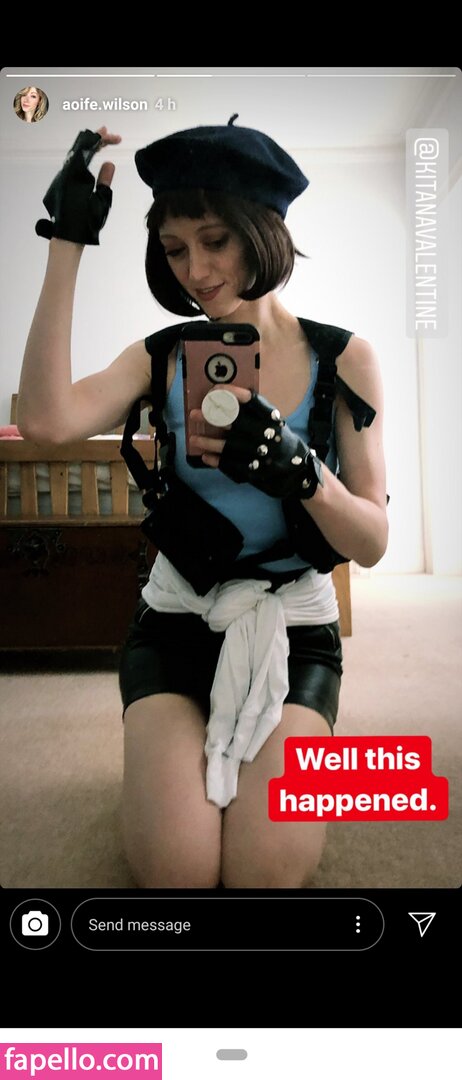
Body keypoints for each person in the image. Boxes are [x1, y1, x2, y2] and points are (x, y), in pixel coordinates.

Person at [17, 120, 388, 890]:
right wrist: (67, 241)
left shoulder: (345, 357)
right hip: (177, 620)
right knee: (177, 873)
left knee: (265, 873)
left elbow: (374, 541)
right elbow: (47, 422)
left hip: (294, 628)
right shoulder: (161, 356)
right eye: (176, 248)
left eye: (215, 241)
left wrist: (305, 474)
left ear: (264, 229)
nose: (196, 270)